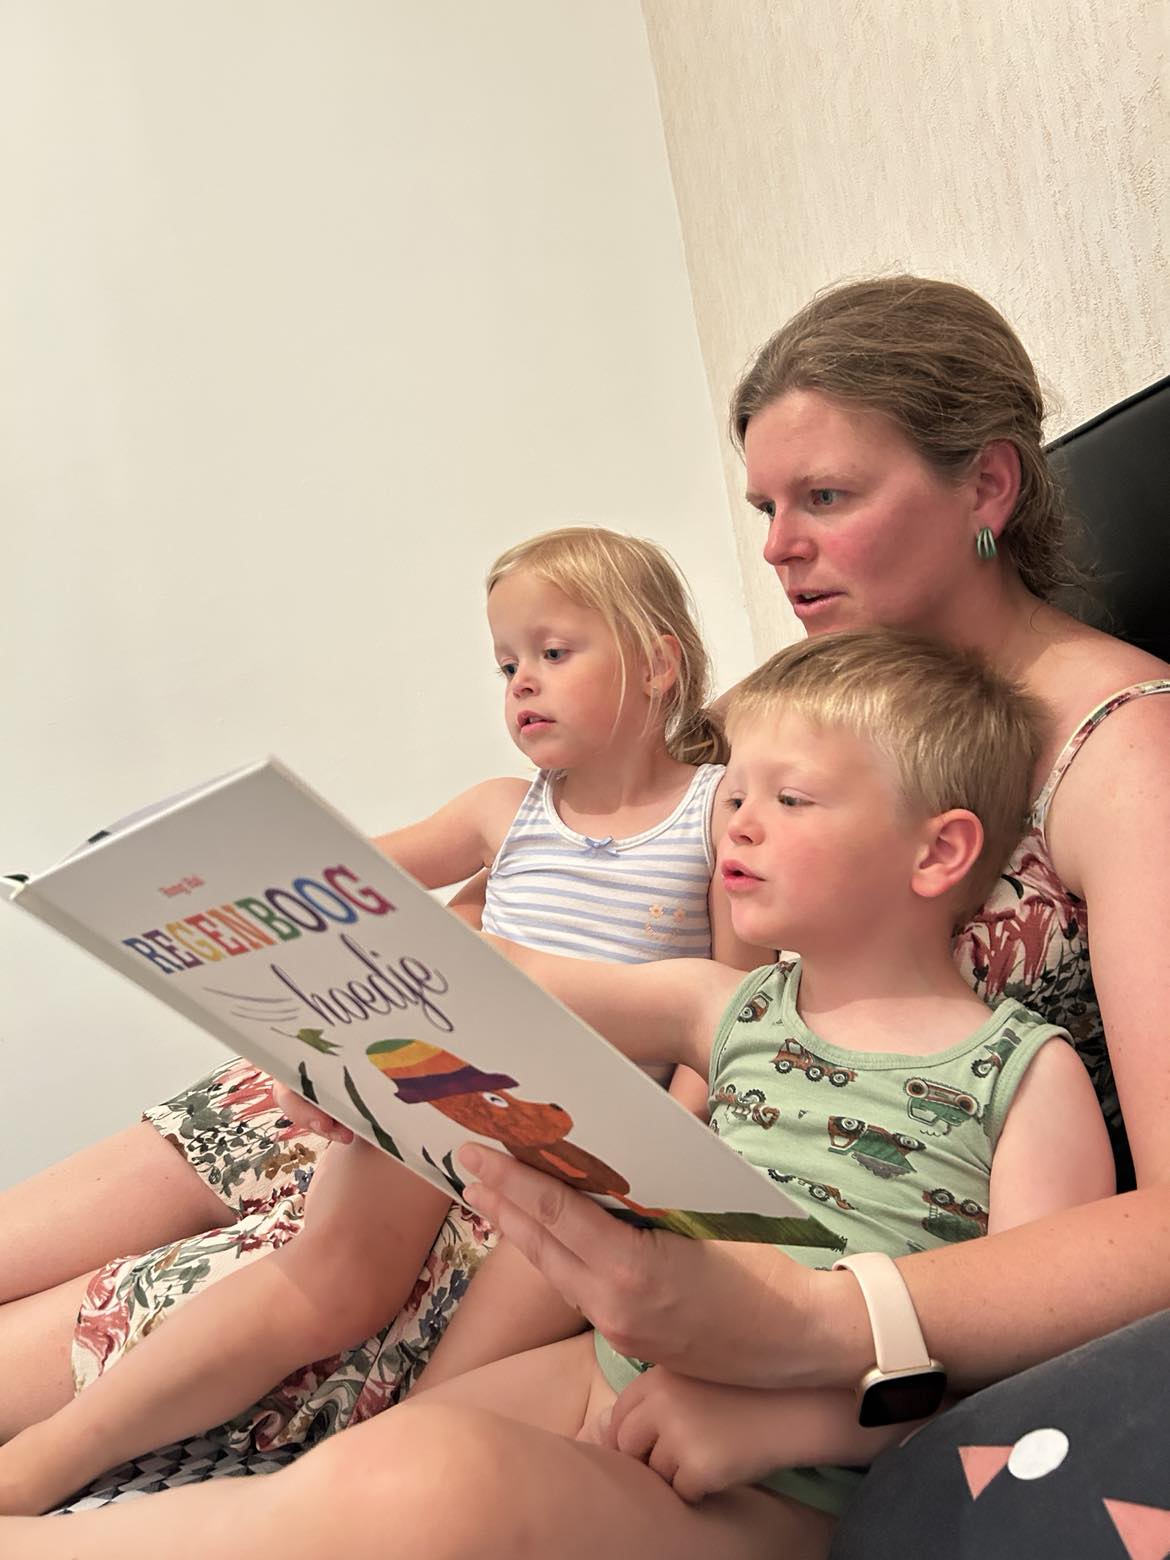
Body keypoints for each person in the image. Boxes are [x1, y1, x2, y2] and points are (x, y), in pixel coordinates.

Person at [3, 271, 1169, 1553]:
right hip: (524, 1114)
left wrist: (811, 1338)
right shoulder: (797, 703)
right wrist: (334, 1004)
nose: (778, 546)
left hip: (684, 1241)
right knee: (178, 1172)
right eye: (765, 507)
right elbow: (698, 999)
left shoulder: (1119, 756)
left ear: (989, 488)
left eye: (825, 497)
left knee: (215, 1345)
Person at [0, 627, 1120, 1554]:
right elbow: (516, 990)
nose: (738, 820)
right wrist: (324, 1006)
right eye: (737, 792)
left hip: (789, 1486)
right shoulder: (727, 1006)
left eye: (792, 798)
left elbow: (1028, 1356)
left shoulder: (1024, 1075)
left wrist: (793, 1422)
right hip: (607, 1374)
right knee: (365, 1479)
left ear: (937, 854)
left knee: (434, 1483)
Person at [0, 524, 770, 1507]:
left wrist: (678, 1140)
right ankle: (52, 1458)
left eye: (553, 652)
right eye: (505, 664)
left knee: (488, 1349)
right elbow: (341, 875)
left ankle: (343, 1499)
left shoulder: (714, 813)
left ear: (660, 663)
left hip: (591, 1143)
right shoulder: (504, 810)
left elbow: (726, 1005)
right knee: (327, 1278)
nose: (520, 684)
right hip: (446, 1081)